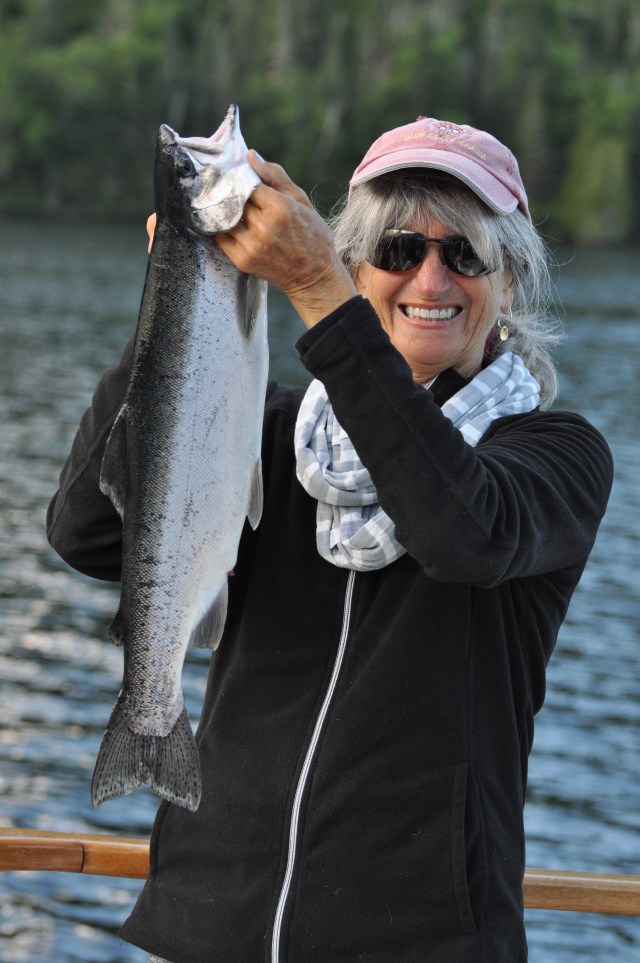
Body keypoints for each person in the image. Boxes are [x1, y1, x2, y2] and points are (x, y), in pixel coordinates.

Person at [47, 116, 613, 963]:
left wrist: (318, 294)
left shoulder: (553, 457)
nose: (430, 276)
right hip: (210, 928)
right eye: (395, 249)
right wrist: (177, 294)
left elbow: (460, 529)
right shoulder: (267, 432)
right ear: (358, 265)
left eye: (464, 254)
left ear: (511, 279)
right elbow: (86, 532)